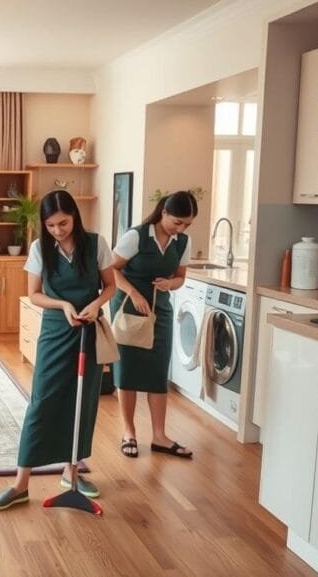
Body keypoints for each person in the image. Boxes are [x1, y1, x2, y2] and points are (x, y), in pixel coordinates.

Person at [0, 190, 117, 511]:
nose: (58, 230)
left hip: (87, 332)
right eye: (51, 225)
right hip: (56, 331)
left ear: (75, 216)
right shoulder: (39, 247)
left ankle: (71, 471)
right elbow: (34, 294)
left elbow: (110, 285)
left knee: (81, 403)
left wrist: (96, 305)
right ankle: (21, 484)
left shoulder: (96, 243)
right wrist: (63, 304)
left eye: (64, 223)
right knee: (42, 402)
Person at [109, 190, 198, 459]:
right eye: (177, 222)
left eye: (187, 225)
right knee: (128, 372)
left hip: (160, 311)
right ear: (164, 213)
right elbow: (112, 269)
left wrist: (171, 283)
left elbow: (181, 276)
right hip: (130, 310)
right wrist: (134, 293)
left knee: (158, 373)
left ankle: (159, 436)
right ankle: (129, 432)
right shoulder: (137, 235)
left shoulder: (182, 242)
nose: (180, 229)